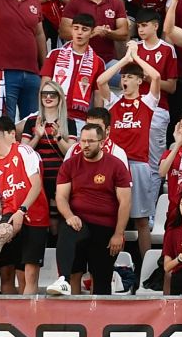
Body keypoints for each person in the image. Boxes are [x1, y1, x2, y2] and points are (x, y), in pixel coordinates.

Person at [49, 121, 129, 296]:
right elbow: (61, 196)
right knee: (68, 232)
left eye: (90, 141)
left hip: (105, 226)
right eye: (83, 141)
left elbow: (125, 202)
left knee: (101, 279)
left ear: (102, 142)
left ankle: (100, 320)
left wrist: (118, 233)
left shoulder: (116, 165)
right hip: (79, 222)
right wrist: (69, 215)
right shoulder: (70, 164)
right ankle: (64, 281)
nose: (85, 145)